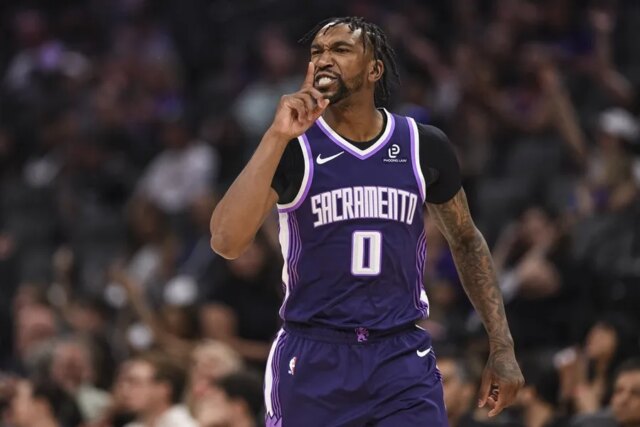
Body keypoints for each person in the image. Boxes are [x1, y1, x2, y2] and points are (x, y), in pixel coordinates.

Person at [211, 16, 524, 426]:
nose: (324, 59)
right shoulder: (293, 148)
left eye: (340, 49)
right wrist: (275, 135)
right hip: (315, 355)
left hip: (400, 357)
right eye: (317, 52)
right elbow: (226, 241)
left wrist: (502, 345)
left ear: (374, 69)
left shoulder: (422, 145)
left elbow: (466, 240)